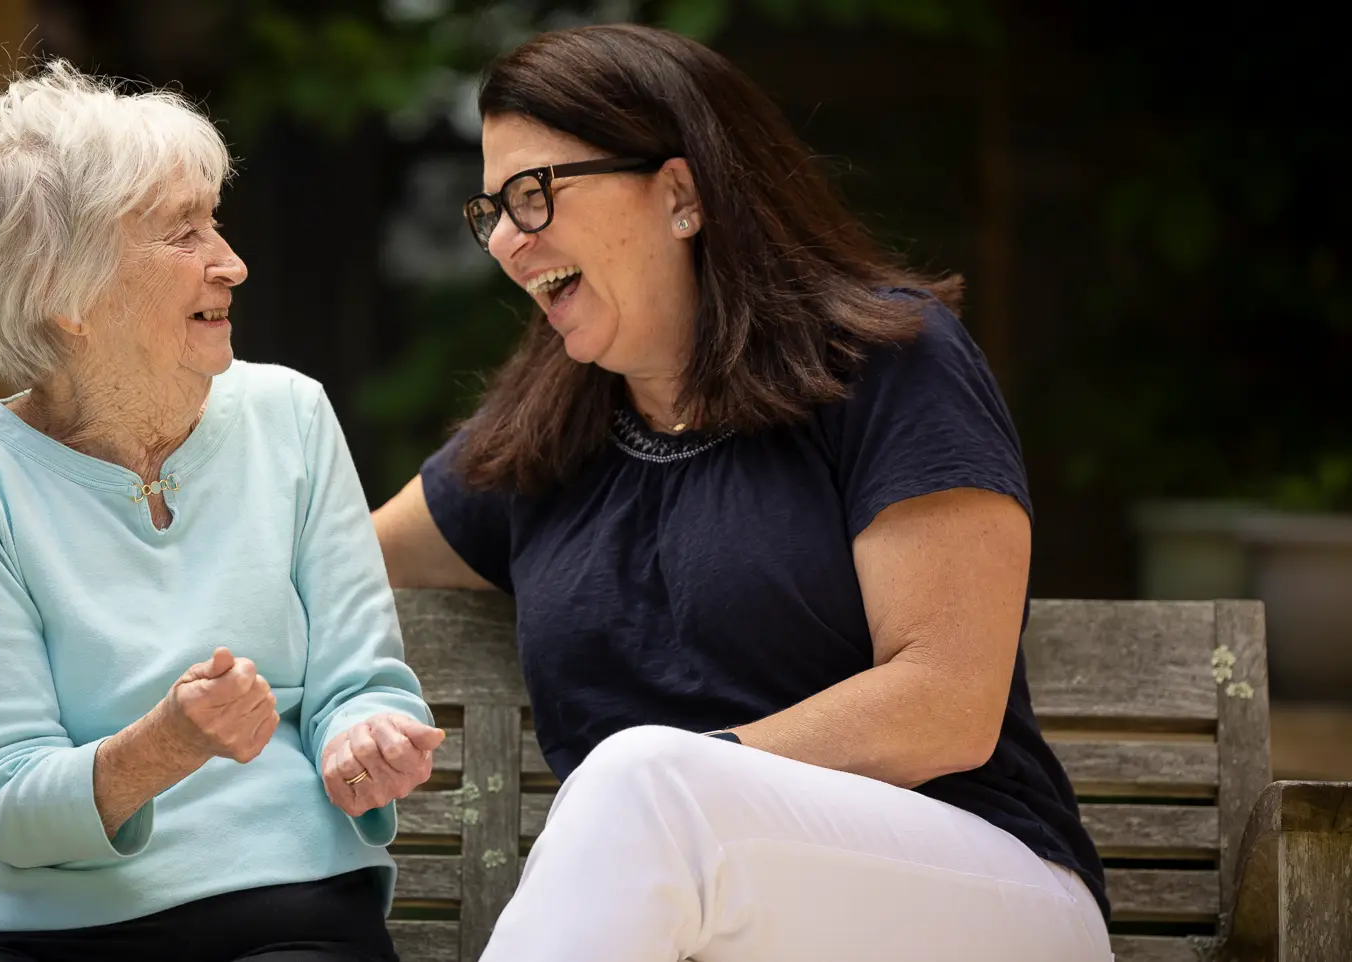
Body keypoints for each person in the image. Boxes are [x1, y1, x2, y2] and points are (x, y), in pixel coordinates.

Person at [373, 23, 1113, 962]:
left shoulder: (889, 365)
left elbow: (947, 701)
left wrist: (678, 788)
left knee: (638, 775)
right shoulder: (538, 441)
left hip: (978, 891)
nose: (509, 243)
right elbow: (340, 564)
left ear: (681, 194)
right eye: (492, 212)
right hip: (696, 922)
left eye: (534, 194)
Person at [0, 60, 440, 962]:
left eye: (214, 220)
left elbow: (358, 680)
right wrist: (162, 747)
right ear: (60, 287)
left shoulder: (291, 418)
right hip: (37, 932)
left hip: (284, 904)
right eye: (185, 233)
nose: (232, 262)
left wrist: (362, 738)